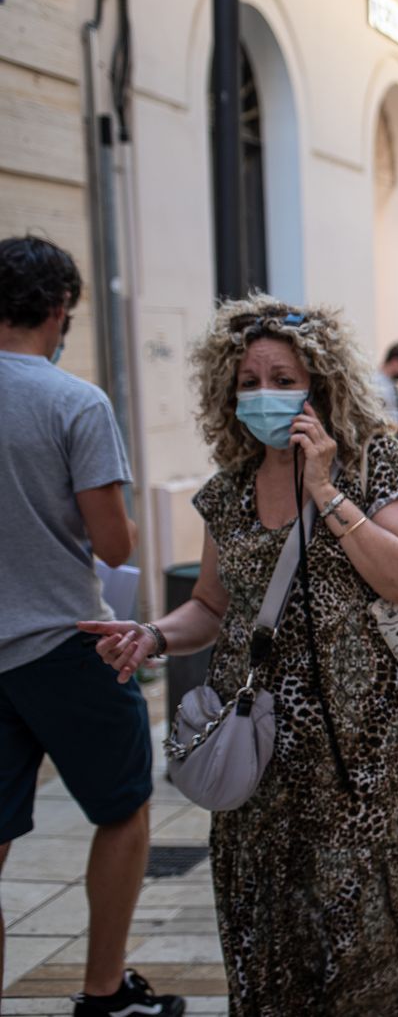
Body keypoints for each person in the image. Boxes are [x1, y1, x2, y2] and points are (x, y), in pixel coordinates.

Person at [80, 298, 398, 1015]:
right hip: (257, 753)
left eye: (283, 378)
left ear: (321, 385)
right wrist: (152, 634)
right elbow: (213, 607)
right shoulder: (228, 491)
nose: (263, 394)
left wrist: (324, 491)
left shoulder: (372, 464)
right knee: (269, 927)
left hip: (360, 757)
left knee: (367, 929)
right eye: (248, 380)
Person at [0, 237, 185, 1016]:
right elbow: (114, 544)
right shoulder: (75, 402)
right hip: (66, 641)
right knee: (123, 808)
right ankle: (104, 994)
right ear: (60, 309)